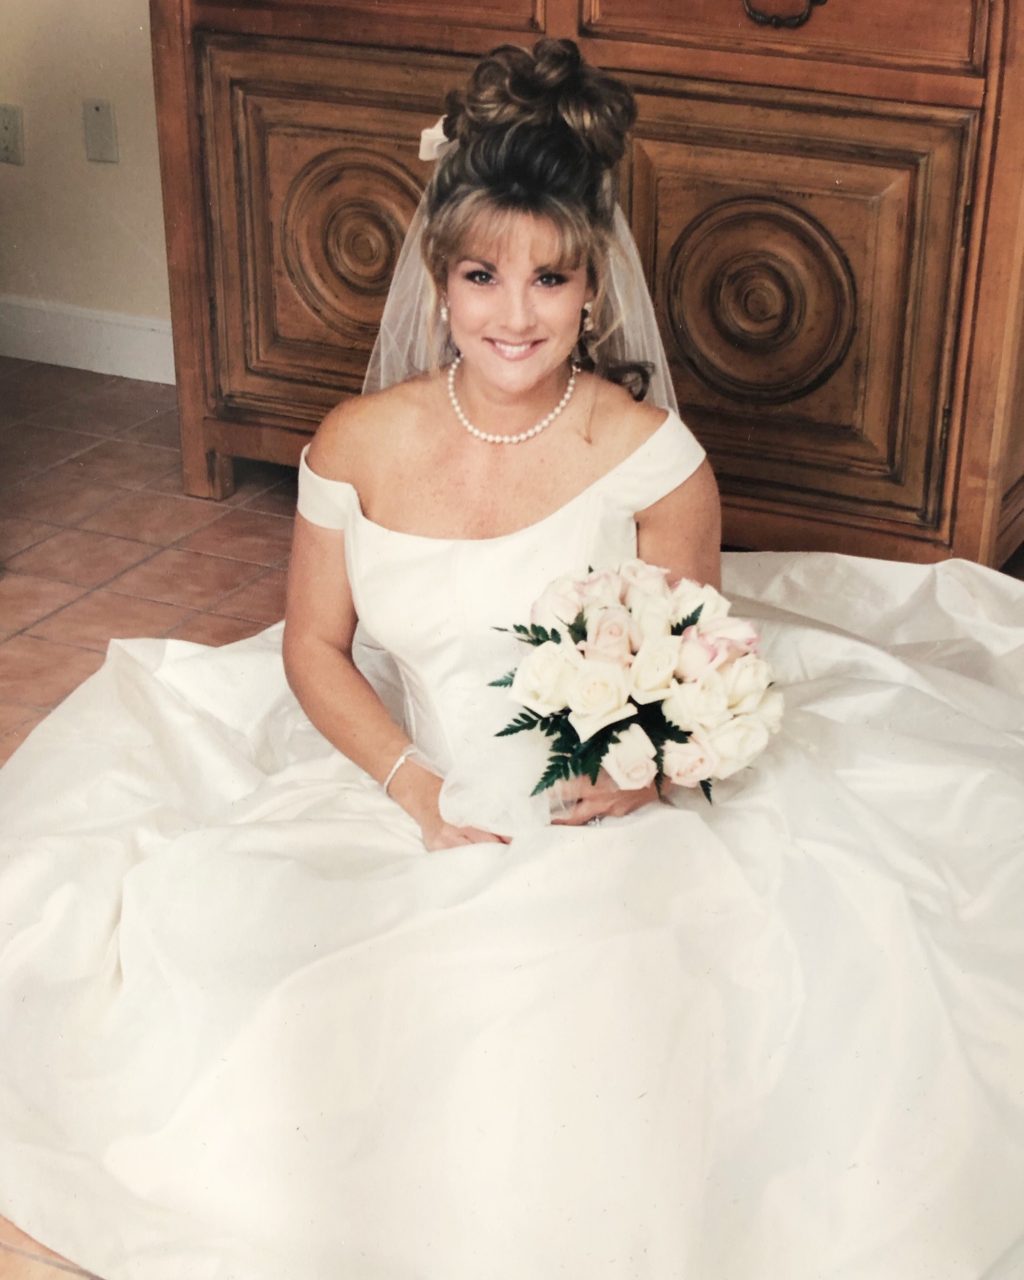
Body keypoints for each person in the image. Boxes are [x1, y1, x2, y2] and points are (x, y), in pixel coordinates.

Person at [1, 36, 1023, 1280]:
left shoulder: (656, 461)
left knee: (590, 1053)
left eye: (549, 281)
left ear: (592, 290)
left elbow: (682, 668)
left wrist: (647, 773)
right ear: (439, 283)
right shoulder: (354, 442)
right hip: (408, 779)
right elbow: (317, 650)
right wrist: (409, 786)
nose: (514, 313)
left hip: (596, 811)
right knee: (235, 1004)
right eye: (483, 275)